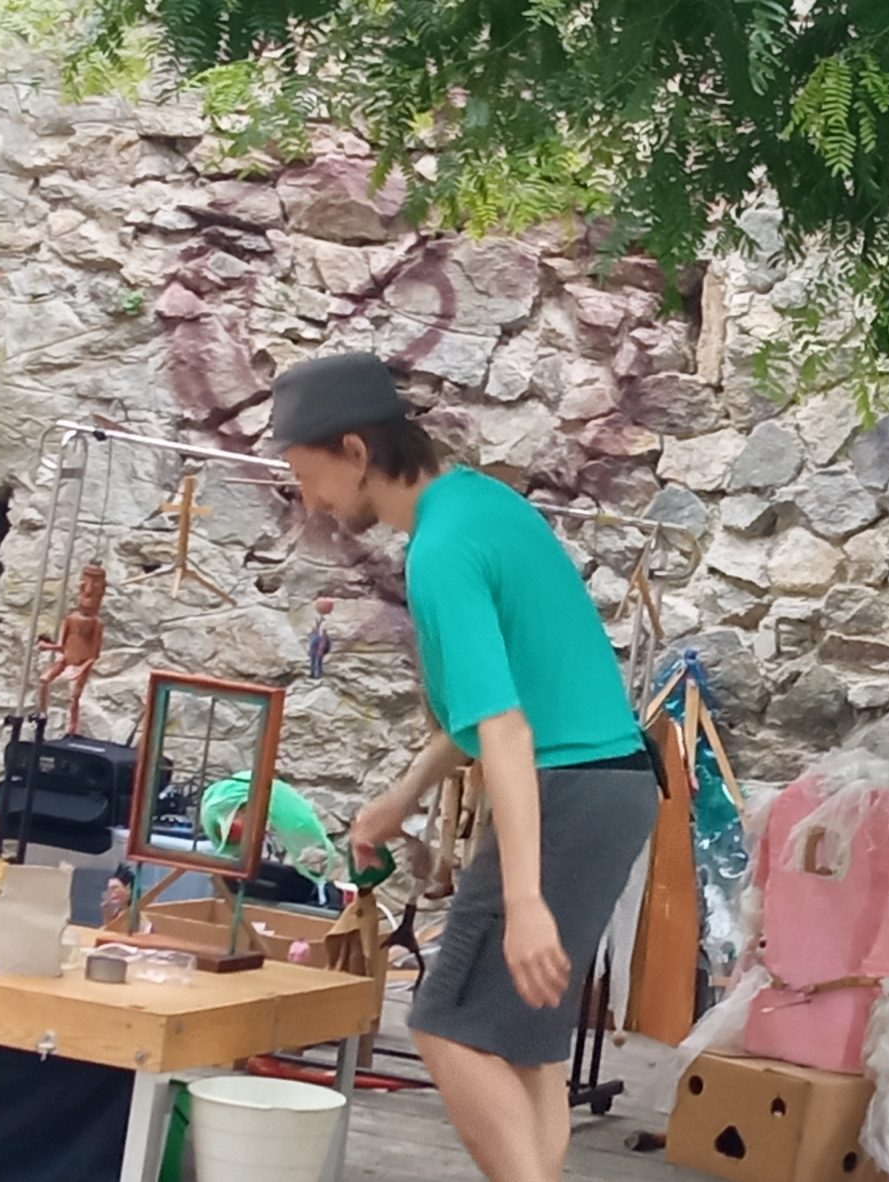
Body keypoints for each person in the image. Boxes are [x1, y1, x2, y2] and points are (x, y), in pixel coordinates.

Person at [268, 351, 658, 1182]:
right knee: (523, 1046)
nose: (312, 502)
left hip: (566, 790)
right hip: (613, 787)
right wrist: (402, 795)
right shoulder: (481, 504)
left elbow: (508, 731)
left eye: (308, 476)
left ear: (355, 452)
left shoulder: (440, 552)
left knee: (445, 1022)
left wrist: (523, 902)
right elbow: (492, 708)